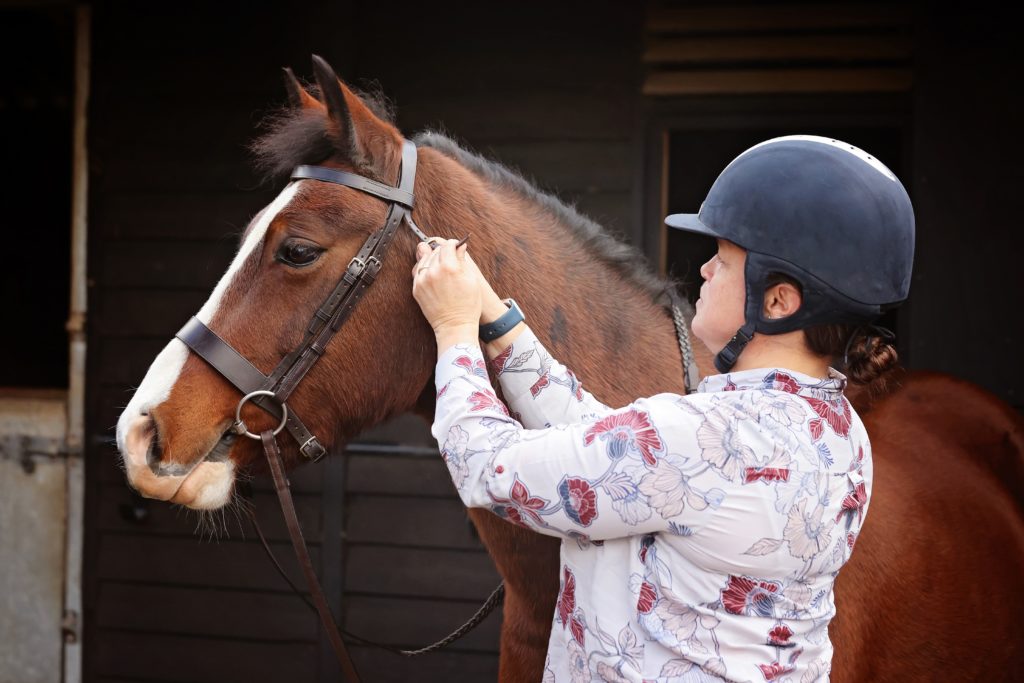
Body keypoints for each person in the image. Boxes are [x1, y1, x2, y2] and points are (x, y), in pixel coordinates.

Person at [410, 135, 914, 683]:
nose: (702, 272)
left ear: (777, 302)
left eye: (721, 260)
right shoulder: (840, 433)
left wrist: (455, 327)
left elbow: (486, 466)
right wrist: (500, 325)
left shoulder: (700, 438)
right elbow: (608, 446)